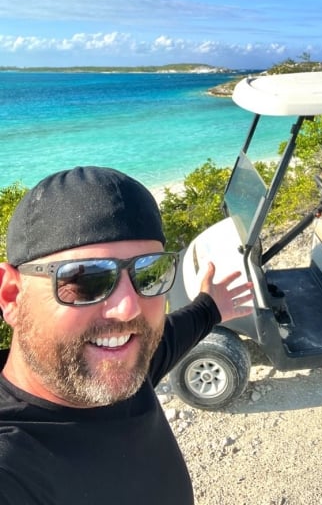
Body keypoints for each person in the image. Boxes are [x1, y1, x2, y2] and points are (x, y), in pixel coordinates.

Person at [0, 165, 252, 505]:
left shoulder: (126, 366)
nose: (128, 308)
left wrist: (211, 307)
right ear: (12, 296)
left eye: (149, 274)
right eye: (86, 279)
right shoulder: (13, 465)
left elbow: (172, 337)